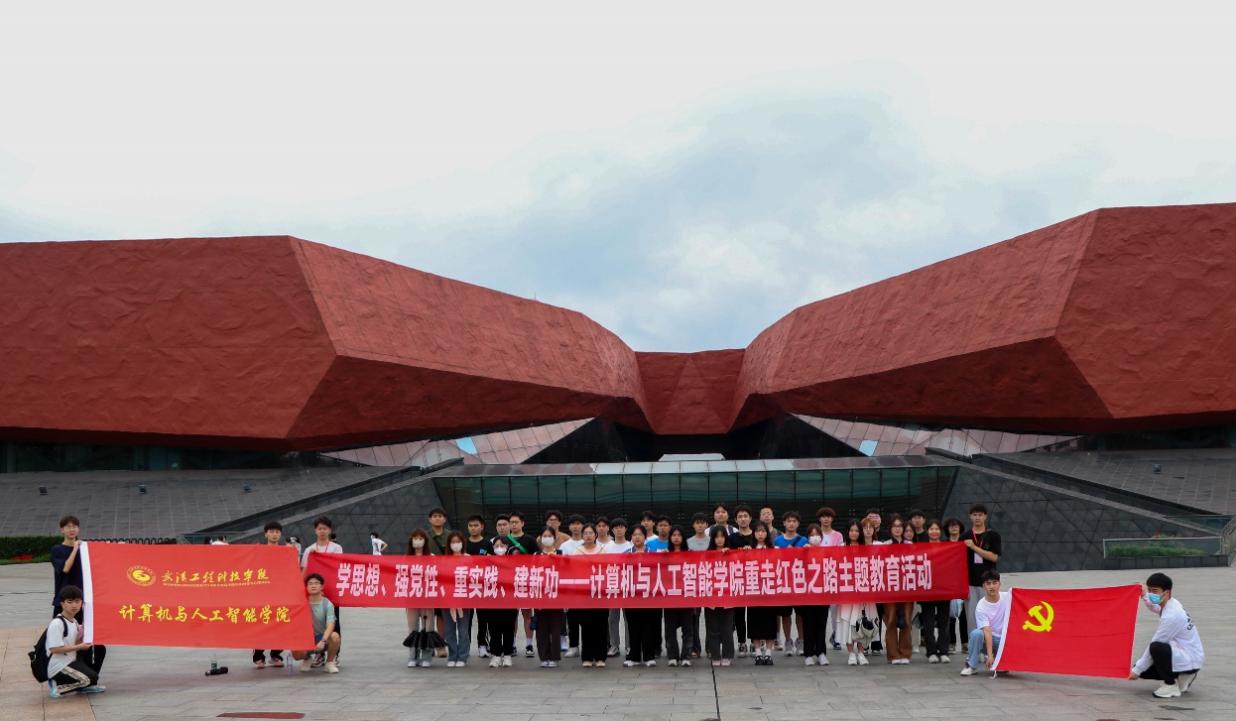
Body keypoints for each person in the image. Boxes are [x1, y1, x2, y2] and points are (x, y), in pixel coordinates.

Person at [1129, 572, 1204, 698]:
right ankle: (1184, 676)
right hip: (1188, 654)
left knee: (1156, 648)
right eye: (1149, 590)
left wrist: (1136, 671)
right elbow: (1156, 608)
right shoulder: (1171, 603)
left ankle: (1170, 685)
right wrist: (1145, 595)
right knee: (1144, 670)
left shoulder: (1172, 616)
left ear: (1166, 592)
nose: (1152, 594)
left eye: (1155, 591)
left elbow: (1156, 643)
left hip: (1190, 658)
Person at [45, 585, 105, 698]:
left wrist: (85, 636)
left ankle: (87, 685)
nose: (74, 605)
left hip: (71, 660)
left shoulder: (74, 621)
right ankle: (57, 686)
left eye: (77, 601)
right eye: (70, 602)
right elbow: (55, 649)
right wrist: (80, 646)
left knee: (99, 648)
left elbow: (75, 643)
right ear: (62, 603)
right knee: (89, 679)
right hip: (59, 666)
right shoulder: (57, 623)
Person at [301, 516, 344, 665]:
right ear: (315, 530)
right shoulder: (309, 550)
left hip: (331, 592)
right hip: (314, 594)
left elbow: (339, 568)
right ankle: (318, 654)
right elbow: (305, 571)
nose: (322, 531)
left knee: (334, 623)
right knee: (315, 623)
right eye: (319, 529)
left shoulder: (336, 548)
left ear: (329, 530)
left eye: (325, 528)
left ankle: (334, 654)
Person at [836, 520, 876, 666]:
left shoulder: (866, 548)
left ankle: (861, 652)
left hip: (862, 591)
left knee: (861, 621)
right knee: (848, 622)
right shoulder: (841, 547)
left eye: (857, 531)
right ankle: (851, 653)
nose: (854, 533)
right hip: (847, 592)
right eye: (851, 530)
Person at [962, 504, 1001, 651]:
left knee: (990, 618)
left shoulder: (993, 535)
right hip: (970, 583)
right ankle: (974, 650)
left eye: (980, 515)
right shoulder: (964, 537)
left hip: (989, 584)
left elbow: (994, 557)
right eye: (974, 515)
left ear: (985, 516)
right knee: (972, 619)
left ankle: (989, 649)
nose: (977, 517)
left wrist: (974, 547)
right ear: (970, 517)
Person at [622, 526, 661, 667]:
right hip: (632, 596)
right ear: (631, 537)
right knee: (633, 627)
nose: (637, 537)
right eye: (634, 535)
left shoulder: (653, 553)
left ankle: (649, 656)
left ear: (645, 537)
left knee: (648, 626)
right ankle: (634, 657)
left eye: (640, 534)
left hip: (649, 596)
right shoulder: (626, 554)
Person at [571, 524, 610, 668]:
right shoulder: (577, 552)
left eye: (590, 533)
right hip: (584, 595)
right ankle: (587, 657)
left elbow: (607, 571)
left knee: (601, 626)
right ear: (582, 536)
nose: (588, 535)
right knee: (586, 627)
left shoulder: (603, 551)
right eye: (585, 533)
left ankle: (601, 657)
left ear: (595, 535)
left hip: (600, 594)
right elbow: (573, 571)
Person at [879, 515, 914, 665]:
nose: (898, 529)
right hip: (890, 589)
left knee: (906, 621)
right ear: (890, 529)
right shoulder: (885, 545)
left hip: (907, 588)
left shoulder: (910, 545)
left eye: (900, 526)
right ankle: (893, 654)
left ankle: (905, 652)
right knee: (891, 620)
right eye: (895, 526)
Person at [961, 570, 1009, 676]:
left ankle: (999, 661)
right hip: (988, 639)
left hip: (1005, 641)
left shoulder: (1008, 597)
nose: (992, 586)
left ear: (999, 584)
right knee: (976, 633)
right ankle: (972, 665)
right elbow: (987, 630)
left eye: (995, 583)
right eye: (988, 583)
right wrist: (990, 655)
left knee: (1004, 669)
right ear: (983, 586)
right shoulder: (981, 606)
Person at [253, 521, 286, 669]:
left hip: (280, 593)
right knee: (262, 624)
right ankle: (258, 656)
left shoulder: (286, 552)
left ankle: (276, 654)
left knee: (280, 623)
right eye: (271, 531)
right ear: (266, 534)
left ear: (280, 534)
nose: (274, 534)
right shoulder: (259, 551)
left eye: (277, 532)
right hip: (263, 593)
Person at [775, 511, 807, 656]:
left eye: (794, 521)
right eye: (788, 521)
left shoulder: (804, 540)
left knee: (800, 614)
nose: (791, 523)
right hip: (784, 582)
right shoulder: (778, 540)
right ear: (784, 523)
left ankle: (801, 640)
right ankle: (788, 640)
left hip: (800, 582)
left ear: (798, 523)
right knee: (785, 615)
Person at [746, 523, 779, 665]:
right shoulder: (749, 549)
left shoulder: (774, 549)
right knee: (755, 622)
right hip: (753, 591)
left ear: (767, 533)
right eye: (758, 531)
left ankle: (769, 653)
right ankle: (758, 652)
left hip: (769, 591)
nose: (760, 534)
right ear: (754, 533)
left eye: (763, 531)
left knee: (770, 622)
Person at [507, 510, 539, 657]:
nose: (513, 525)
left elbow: (536, 560)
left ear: (522, 523)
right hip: (509, 582)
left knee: (527, 614)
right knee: (512, 616)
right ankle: (512, 644)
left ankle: (529, 644)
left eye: (516, 522)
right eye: (511, 522)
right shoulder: (504, 540)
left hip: (526, 581)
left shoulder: (530, 540)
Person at [293, 574, 340, 673]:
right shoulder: (301, 603)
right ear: (306, 587)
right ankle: (307, 659)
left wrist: (323, 640)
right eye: (310, 584)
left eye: (316, 583)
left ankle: (329, 663)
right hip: (306, 638)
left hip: (321, 638)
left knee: (335, 636)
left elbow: (331, 625)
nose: (313, 586)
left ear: (322, 586)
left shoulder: (327, 604)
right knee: (296, 653)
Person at [919, 520, 951, 663]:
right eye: (931, 529)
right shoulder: (921, 547)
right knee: (928, 623)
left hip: (944, 589)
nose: (934, 531)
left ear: (940, 531)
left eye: (937, 529)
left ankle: (943, 651)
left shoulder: (947, 547)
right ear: (927, 531)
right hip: (927, 589)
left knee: (944, 622)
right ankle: (931, 651)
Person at [703, 526, 736, 667]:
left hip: (727, 597)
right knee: (713, 628)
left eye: (722, 536)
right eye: (717, 536)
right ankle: (715, 655)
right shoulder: (707, 554)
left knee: (727, 628)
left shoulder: (731, 553)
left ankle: (727, 654)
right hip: (711, 597)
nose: (720, 539)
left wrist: (729, 555)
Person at [486, 537, 520, 668]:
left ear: (507, 547)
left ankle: (507, 655)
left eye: (502, 545)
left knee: (508, 628)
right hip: (492, 600)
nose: (499, 548)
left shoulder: (512, 562)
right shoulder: (488, 562)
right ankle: (495, 655)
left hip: (509, 601)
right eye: (496, 545)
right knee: (493, 629)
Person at [798, 524, 829, 666]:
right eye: (812, 535)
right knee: (808, 624)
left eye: (817, 535)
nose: (814, 537)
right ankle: (808, 653)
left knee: (821, 624)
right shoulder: (804, 551)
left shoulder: (826, 551)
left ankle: (821, 653)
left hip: (823, 593)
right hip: (808, 594)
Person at [405, 529, 436, 668]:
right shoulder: (406, 558)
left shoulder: (432, 557)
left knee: (428, 627)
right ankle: (413, 656)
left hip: (427, 598)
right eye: (415, 538)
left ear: (425, 541)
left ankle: (426, 656)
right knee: (413, 628)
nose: (418, 541)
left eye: (420, 538)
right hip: (411, 598)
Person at [662, 527, 693, 666]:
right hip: (670, 598)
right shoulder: (665, 554)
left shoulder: (690, 554)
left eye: (679, 535)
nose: (676, 537)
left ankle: (686, 656)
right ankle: (672, 656)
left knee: (688, 629)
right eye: (673, 535)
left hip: (686, 597)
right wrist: (662, 558)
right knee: (670, 629)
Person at [534, 527, 564, 668]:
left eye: (549, 536)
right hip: (540, 596)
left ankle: (554, 656)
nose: (547, 538)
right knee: (541, 629)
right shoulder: (536, 555)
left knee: (555, 628)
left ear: (554, 538)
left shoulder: (560, 553)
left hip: (556, 596)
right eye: (544, 536)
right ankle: (543, 656)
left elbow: (565, 572)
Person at [727, 505, 755, 657]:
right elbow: (728, 557)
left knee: (753, 612)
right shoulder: (732, 538)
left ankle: (754, 641)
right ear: (736, 520)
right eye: (740, 516)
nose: (743, 519)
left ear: (750, 518)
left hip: (754, 578)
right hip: (738, 578)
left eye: (745, 516)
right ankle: (742, 642)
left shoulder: (757, 535)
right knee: (738, 613)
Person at [606, 517, 633, 657]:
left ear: (626, 529)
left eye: (621, 526)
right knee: (612, 618)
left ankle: (629, 646)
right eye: (616, 527)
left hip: (628, 586)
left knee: (629, 618)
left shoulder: (631, 546)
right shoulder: (607, 547)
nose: (619, 529)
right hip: (613, 586)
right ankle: (614, 645)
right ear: (612, 530)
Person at [50, 515, 83, 619]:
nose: (72, 529)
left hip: (80, 600)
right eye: (68, 527)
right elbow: (65, 569)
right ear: (62, 530)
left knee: (80, 628)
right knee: (59, 626)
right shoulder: (57, 550)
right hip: (64, 600)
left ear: (78, 529)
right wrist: (75, 549)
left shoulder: (84, 550)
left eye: (74, 526)